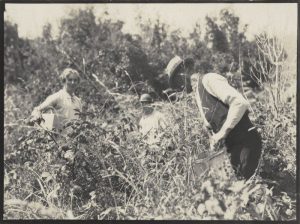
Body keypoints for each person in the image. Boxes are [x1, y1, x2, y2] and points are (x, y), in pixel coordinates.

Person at [165, 56, 262, 180]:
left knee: (249, 189)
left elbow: (239, 102)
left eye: (176, 81)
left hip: (246, 142)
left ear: (184, 72)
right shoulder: (198, 95)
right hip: (233, 148)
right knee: (237, 190)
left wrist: (222, 133)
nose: (178, 88)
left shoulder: (209, 80)